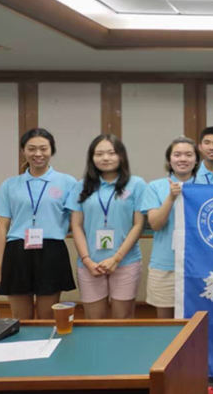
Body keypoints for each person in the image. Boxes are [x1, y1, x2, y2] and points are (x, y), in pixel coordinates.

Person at [0, 128, 77, 320]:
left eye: (43, 148)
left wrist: (56, 227)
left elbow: (76, 221)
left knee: (47, 318)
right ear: (23, 151)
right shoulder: (10, 185)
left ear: (52, 150)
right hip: (17, 252)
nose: (38, 154)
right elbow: (2, 228)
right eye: (32, 149)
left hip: (52, 251)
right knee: (21, 319)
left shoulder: (67, 182)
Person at [68, 135, 146, 319]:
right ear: (92, 158)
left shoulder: (137, 184)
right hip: (90, 263)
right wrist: (87, 260)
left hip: (125, 261)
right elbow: (76, 226)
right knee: (94, 322)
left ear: (121, 156)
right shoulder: (81, 186)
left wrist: (116, 258)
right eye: (99, 154)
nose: (105, 158)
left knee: (123, 321)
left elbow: (139, 225)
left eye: (111, 153)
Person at [141, 137, 202, 319]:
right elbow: (155, 224)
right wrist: (171, 198)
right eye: (177, 155)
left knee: (195, 323)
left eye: (188, 155)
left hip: (198, 265)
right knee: (165, 325)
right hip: (165, 265)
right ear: (169, 160)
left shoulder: (206, 187)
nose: (183, 159)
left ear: (196, 160)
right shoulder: (155, 187)